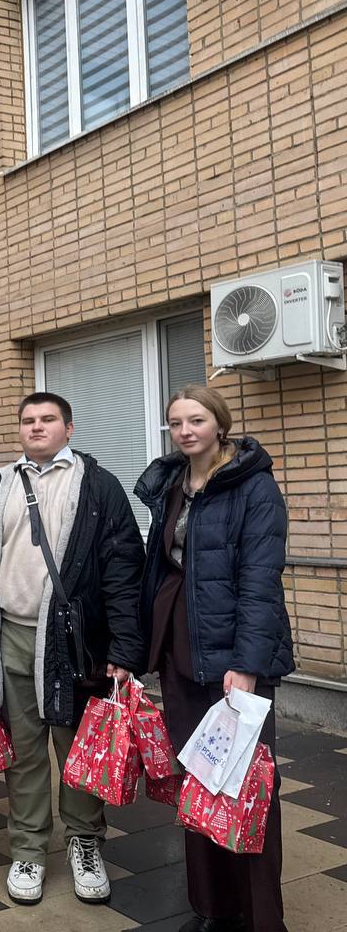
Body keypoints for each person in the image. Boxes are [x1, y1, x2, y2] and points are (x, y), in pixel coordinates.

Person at [0, 392, 145, 907]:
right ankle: (28, 850)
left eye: (48, 419)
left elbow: (123, 569)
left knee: (76, 747)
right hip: (9, 635)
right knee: (24, 751)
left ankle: (85, 842)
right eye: (28, 420)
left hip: (75, 644)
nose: (37, 427)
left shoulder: (98, 486)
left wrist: (125, 646)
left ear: (69, 428)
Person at [134, 385, 292, 932]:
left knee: (247, 786)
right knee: (198, 777)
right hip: (179, 649)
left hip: (234, 655)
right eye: (176, 422)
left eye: (196, 420)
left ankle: (260, 918)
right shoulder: (173, 484)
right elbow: (161, 568)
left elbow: (261, 581)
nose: (185, 431)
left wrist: (247, 665)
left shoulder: (253, 485)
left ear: (219, 424)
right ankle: (213, 909)